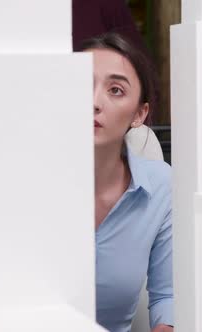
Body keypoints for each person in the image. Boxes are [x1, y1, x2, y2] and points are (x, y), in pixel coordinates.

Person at [80, 33, 173, 332]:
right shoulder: (30, 182)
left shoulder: (161, 186)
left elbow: (167, 296)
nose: (94, 102)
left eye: (116, 90)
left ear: (139, 114)